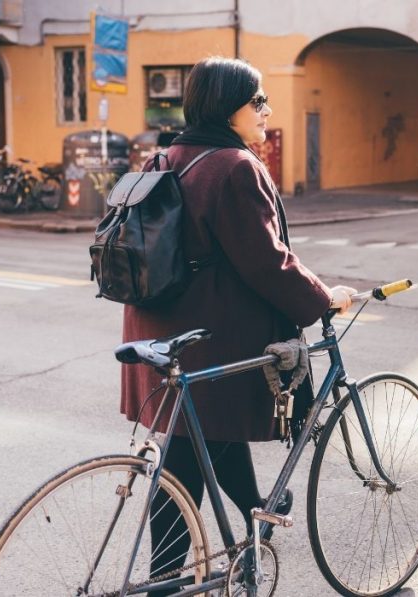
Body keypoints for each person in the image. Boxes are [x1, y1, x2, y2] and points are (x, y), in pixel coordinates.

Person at [119, 56, 355, 593]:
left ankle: (238, 530)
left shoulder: (167, 156)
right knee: (191, 452)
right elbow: (266, 261)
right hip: (209, 337)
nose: (266, 111)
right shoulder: (233, 166)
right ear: (230, 108)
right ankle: (180, 570)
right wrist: (323, 300)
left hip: (158, 327)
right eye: (258, 101)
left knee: (195, 446)